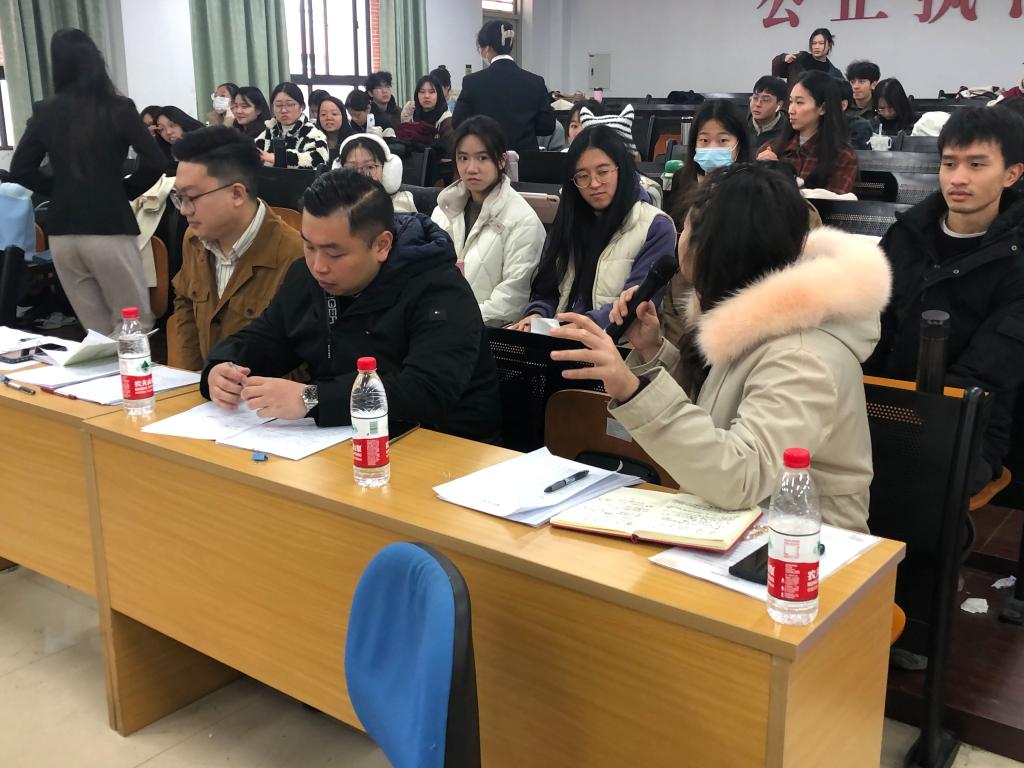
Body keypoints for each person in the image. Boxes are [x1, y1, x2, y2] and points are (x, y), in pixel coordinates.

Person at [547, 163, 891, 533]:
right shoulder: (757, 324)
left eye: (687, 228)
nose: (679, 238)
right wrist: (652, 349)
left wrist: (633, 391)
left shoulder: (803, 355)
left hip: (807, 548)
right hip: (736, 529)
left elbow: (741, 477)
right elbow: (714, 416)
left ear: (718, 248)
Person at [201, 169, 502, 442]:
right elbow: (268, 336)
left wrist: (312, 399)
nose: (318, 266)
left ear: (382, 245)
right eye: (309, 246)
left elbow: (425, 392)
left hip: (443, 446)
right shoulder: (305, 276)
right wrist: (222, 368)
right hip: (341, 439)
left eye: (334, 254)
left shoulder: (439, 289)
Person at [865, 107, 1024, 494]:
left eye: (976, 165)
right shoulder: (907, 234)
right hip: (879, 403)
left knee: (899, 481)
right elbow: (867, 324)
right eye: (949, 163)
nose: (958, 178)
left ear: (1011, 174)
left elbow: (987, 372)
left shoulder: (1016, 259)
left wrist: (898, 420)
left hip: (966, 425)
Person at [8, 28, 165, 335]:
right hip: (109, 225)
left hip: (63, 233)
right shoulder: (118, 108)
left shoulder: (45, 110)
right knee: (133, 325)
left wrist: (62, 191)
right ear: (96, 60)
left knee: (96, 331)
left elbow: (21, 169)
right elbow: (156, 161)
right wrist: (122, 191)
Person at [511, 125, 675, 331]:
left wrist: (575, 326)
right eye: (582, 176)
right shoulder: (570, 219)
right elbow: (547, 292)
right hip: (559, 335)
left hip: (615, 341)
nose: (594, 184)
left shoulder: (655, 226)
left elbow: (636, 306)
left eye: (603, 172)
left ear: (621, 168)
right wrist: (536, 316)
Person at [167, 127, 302, 371]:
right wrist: (193, 379)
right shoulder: (194, 239)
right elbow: (185, 304)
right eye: (178, 198)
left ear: (237, 194)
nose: (184, 210)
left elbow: (303, 358)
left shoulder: (294, 256)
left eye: (191, 198)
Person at [431, 116, 545, 326]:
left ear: (501, 161)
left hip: (490, 333)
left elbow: (512, 300)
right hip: (438, 326)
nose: (471, 168)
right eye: (463, 158)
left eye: (482, 158)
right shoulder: (443, 210)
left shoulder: (523, 220)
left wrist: (456, 320)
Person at [662, 100, 753, 343]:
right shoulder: (682, 180)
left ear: (739, 144)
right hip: (684, 289)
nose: (712, 148)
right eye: (704, 140)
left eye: (723, 141)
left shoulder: (753, 190)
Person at [453, 20, 555, 154]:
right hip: (526, 159)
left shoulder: (472, 82)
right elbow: (547, 126)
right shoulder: (536, 81)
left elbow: (458, 123)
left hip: (488, 155)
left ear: (486, 49)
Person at [757, 71, 859, 194]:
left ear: (823, 108)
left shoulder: (843, 156)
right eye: (791, 102)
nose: (791, 110)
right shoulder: (771, 149)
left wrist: (780, 175)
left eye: (799, 103)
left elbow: (833, 203)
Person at [333, 134, 415, 213]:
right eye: (351, 168)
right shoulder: (332, 204)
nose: (360, 175)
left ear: (386, 170)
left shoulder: (402, 202)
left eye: (369, 167)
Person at [254, 82, 330, 169]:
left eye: (290, 105)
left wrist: (278, 158)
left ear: (302, 107)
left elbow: (319, 159)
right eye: (278, 105)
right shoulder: (270, 131)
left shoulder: (313, 133)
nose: (283, 110)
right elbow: (253, 152)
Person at [773, 27, 843, 82]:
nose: (816, 47)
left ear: (829, 45)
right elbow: (778, 73)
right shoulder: (799, 59)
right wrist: (783, 59)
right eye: (814, 43)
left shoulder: (835, 73)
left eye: (821, 43)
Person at [409, 74, 454, 144]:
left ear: (438, 94)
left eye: (431, 92)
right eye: (422, 92)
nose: (426, 96)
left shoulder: (446, 121)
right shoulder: (413, 116)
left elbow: (450, 147)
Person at [747, 76, 789, 149]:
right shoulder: (739, 124)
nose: (758, 104)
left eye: (765, 100)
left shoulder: (788, 131)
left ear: (779, 104)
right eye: (755, 98)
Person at [837, 79, 873, 151]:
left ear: (843, 105)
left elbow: (853, 154)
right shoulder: (817, 124)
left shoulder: (859, 126)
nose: (856, 86)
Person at [317, 95, 353, 165]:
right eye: (323, 114)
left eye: (334, 114)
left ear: (343, 116)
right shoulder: (312, 141)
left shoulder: (353, 140)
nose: (329, 118)